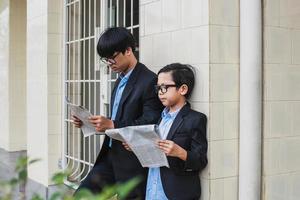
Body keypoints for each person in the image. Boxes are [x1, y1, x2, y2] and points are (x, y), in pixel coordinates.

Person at [72, 27, 163, 199]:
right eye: (105, 60)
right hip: (109, 156)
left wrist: (112, 124)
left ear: (128, 50)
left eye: (112, 58)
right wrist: (89, 123)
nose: (109, 64)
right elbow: (119, 117)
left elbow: (151, 122)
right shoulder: (120, 78)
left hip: (132, 161)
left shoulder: (149, 80)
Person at [145, 63, 207, 200]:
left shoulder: (195, 119)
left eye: (165, 87)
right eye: (158, 88)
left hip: (175, 193)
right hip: (152, 189)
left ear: (183, 89)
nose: (160, 92)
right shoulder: (159, 118)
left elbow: (201, 160)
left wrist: (180, 152)